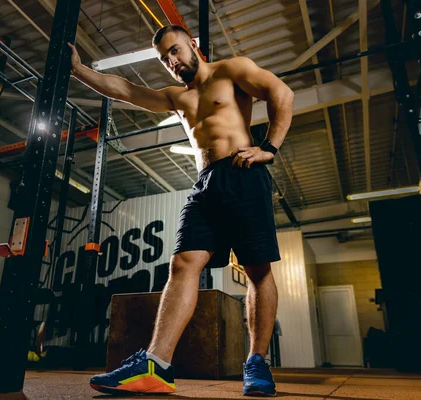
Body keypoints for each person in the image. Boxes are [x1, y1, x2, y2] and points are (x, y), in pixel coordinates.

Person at [68, 25, 294, 397]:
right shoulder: (177, 97)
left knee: (257, 269)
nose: (171, 62)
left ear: (193, 45)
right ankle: (157, 365)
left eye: (175, 51)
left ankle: (257, 361)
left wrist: (269, 146)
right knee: (183, 264)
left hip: (242, 174)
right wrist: (79, 70)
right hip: (205, 184)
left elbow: (280, 92)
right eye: (164, 58)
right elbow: (124, 89)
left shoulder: (231, 70)